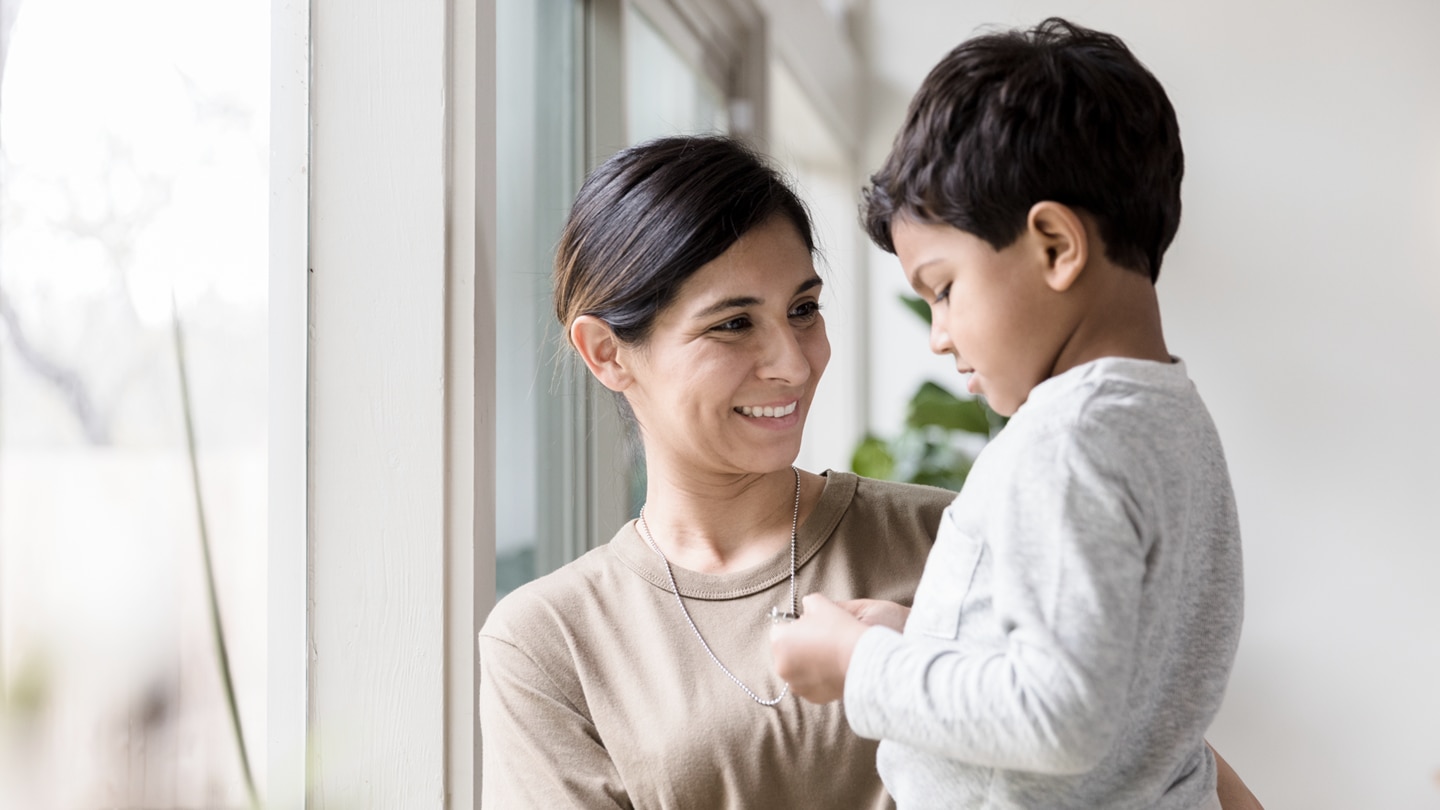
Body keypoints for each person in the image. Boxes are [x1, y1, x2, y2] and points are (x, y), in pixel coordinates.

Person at [480, 134, 1260, 809]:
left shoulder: (945, 536)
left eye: (803, 310)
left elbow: (1158, 764)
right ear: (608, 353)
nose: (791, 362)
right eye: (732, 324)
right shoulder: (549, 644)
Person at [771, 17, 1249, 810]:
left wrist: (860, 664)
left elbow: (1057, 714)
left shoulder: (1065, 441)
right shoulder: (1169, 419)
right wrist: (925, 638)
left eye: (945, 288)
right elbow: (1104, 667)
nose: (940, 336)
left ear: (1056, 246)